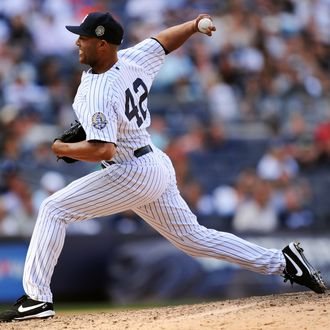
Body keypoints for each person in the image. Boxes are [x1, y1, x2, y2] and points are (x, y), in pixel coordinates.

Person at [0, 11, 326, 323]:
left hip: (130, 169)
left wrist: (63, 147)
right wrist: (195, 24)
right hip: (153, 162)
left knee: (54, 208)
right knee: (194, 239)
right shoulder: (132, 57)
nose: (77, 43)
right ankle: (284, 261)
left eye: (83, 38)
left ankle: (37, 299)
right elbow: (163, 41)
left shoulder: (97, 88)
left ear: (102, 44)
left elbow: (103, 148)